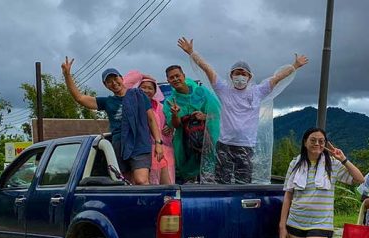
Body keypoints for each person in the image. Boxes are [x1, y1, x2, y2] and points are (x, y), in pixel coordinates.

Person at [177, 37, 308, 184]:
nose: (240, 76)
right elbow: (208, 69)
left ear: (249, 77)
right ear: (231, 76)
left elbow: (276, 78)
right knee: (222, 182)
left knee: (243, 182)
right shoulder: (224, 90)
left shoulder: (257, 92)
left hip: (246, 145)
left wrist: (294, 66)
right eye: (237, 73)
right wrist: (191, 52)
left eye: (243, 73)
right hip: (224, 144)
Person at [62, 59, 163, 184]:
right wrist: (67, 75)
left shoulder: (138, 95)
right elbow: (80, 98)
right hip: (119, 144)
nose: (114, 83)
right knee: (124, 182)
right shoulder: (107, 101)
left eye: (115, 79)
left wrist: (159, 143)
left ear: (121, 78)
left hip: (139, 143)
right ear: (105, 85)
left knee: (141, 180)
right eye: (109, 82)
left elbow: (151, 119)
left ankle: (148, 203)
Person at [163, 65, 222, 184]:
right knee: (190, 182)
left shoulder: (201, 92)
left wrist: (204, 116)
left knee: (210, 180)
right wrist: (175, 114)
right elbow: (175, 125)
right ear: (168, 81)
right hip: (186, 146)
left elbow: (218, 114)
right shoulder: (169, 101)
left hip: (208, 141)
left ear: (183, 76)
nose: (175, 79)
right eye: (171, 77)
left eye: (177, 76)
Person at [123, 71, 175, 185]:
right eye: (143, 87)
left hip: (163, 149)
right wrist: (142, 75)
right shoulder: (133, 105)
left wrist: (170, 126)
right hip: (144, 149)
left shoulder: (161, 107)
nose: (146, 90)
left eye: (150, 88)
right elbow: (124, 85)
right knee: (148, 182)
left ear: (155, 91)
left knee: (168, 184)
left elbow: (171, 122)